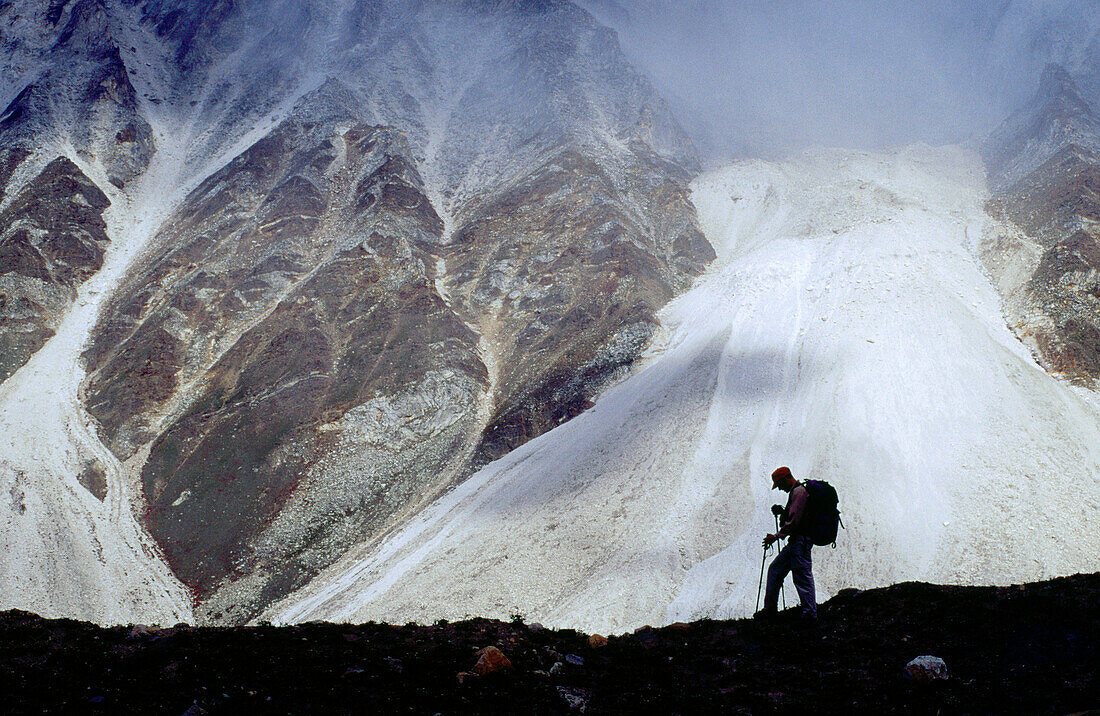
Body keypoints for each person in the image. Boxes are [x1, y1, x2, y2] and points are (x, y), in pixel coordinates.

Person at [756, 466, 817, 621]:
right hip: (796, 542)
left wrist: (776, 536)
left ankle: (809, 615)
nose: (780, 489)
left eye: (779, 485)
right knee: (775, 570)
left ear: (784, 479)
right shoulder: (798, 492)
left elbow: (794, 521)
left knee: (802, 577)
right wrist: (783, 512)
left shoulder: (798, 492)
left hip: (800, 542)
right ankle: (770, 610)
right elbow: (796, 516)